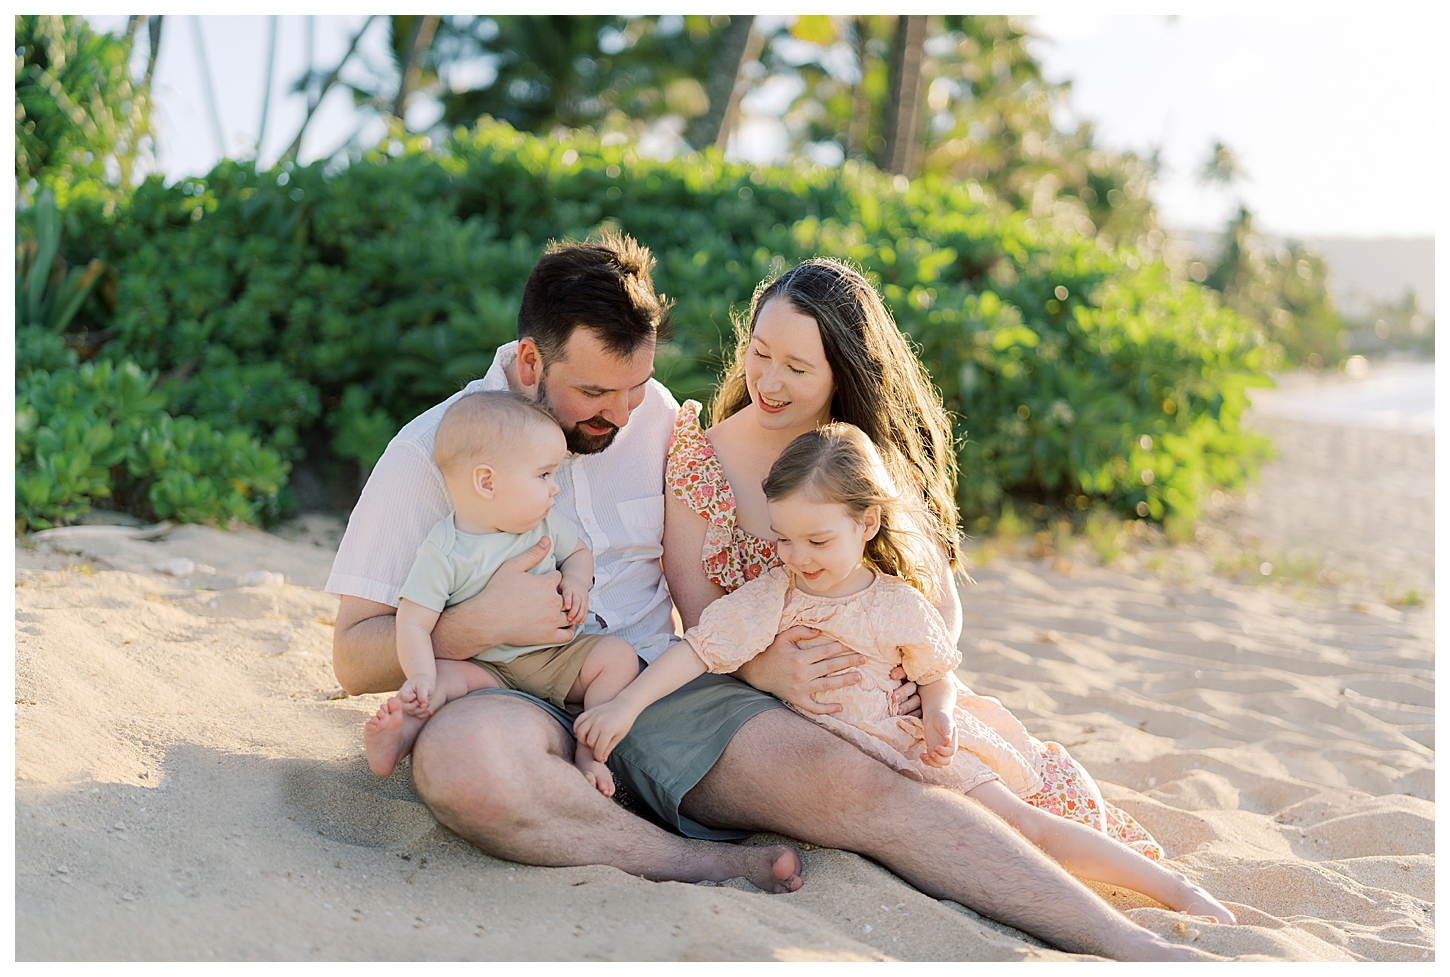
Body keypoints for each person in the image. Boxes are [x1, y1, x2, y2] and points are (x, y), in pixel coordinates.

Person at [327, 235, 1209, 957]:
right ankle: (697, 865)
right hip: (505, 693)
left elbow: (734, 580)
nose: (622, 414)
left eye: (637, 387)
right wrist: (475, 624)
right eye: (596, 393)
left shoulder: (659, 419)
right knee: (461, 770)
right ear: (530, 359)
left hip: (663, 686)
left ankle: (1134, 947)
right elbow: (350, 654)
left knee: (864, 786)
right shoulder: (430, 451)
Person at [577, 423, 1236, 925]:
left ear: (866, 524)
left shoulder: (894, 602)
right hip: (866, 777)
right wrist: (626, 705)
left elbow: (935, 670)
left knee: (1022, 829)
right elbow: (698, 648)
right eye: (784, 538)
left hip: (922, 751)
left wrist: (942, 713)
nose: (796, 556)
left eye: (816, 540)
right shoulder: (774, 595)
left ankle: (1173, 888)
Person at [362, 390, 641, 798]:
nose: (554, 489)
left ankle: (589, 753)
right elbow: (413, 622)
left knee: (617, 658)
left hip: (555, 658)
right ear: (487, 482)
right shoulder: (443, 551)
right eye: (544, 475)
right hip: (483, 668)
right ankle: (398, 740)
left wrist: (577, 582)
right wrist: (421, 675)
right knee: (435, 685)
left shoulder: (545, 527)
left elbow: (578, 553)